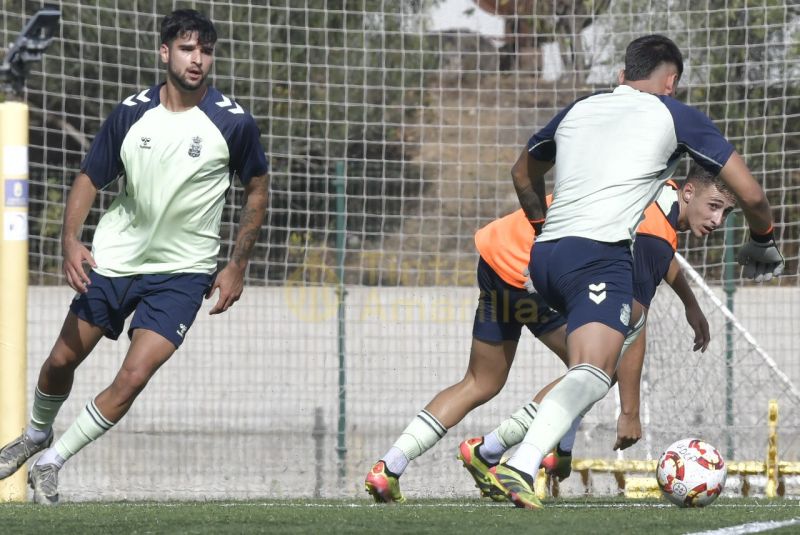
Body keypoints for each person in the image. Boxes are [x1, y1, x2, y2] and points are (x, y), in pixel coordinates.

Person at [492, 34, 783, 509]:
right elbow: (750, 195)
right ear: (671, 81)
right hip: (598, 254)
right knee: (592, 371)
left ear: (622, 74)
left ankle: (515, 447)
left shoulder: (579, 108)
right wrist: (763, 238)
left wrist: (543, 226)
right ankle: (518, 463)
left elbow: (522, 174)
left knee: (589, 365)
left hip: (544, 257)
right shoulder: (674, 114)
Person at [0, 9, 269, 505]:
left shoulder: (233, 123)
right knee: (62, 359)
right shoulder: (131, 112)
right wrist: (70, 240)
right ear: (164, 52)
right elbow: (90, 175)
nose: (198, 60)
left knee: (134, 375)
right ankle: (37, 432)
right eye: (188, 49)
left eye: (206, 51)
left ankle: (53, 461)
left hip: (184, 274)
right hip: (116, 258)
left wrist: (237, 263)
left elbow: (257, 188)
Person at [362, 165, 723, 504]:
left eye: (726, 213)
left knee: (481, 381)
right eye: (714, 207)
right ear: (688, 192)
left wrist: (689, 302)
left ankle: (389, 466)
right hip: (532, 273)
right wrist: (630, 411)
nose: (717, 220)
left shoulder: (655, 191)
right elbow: (631, 320)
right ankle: (494, 451)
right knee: (598, 367)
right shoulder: (654, 235)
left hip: (498, 257)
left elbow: (662, 251)